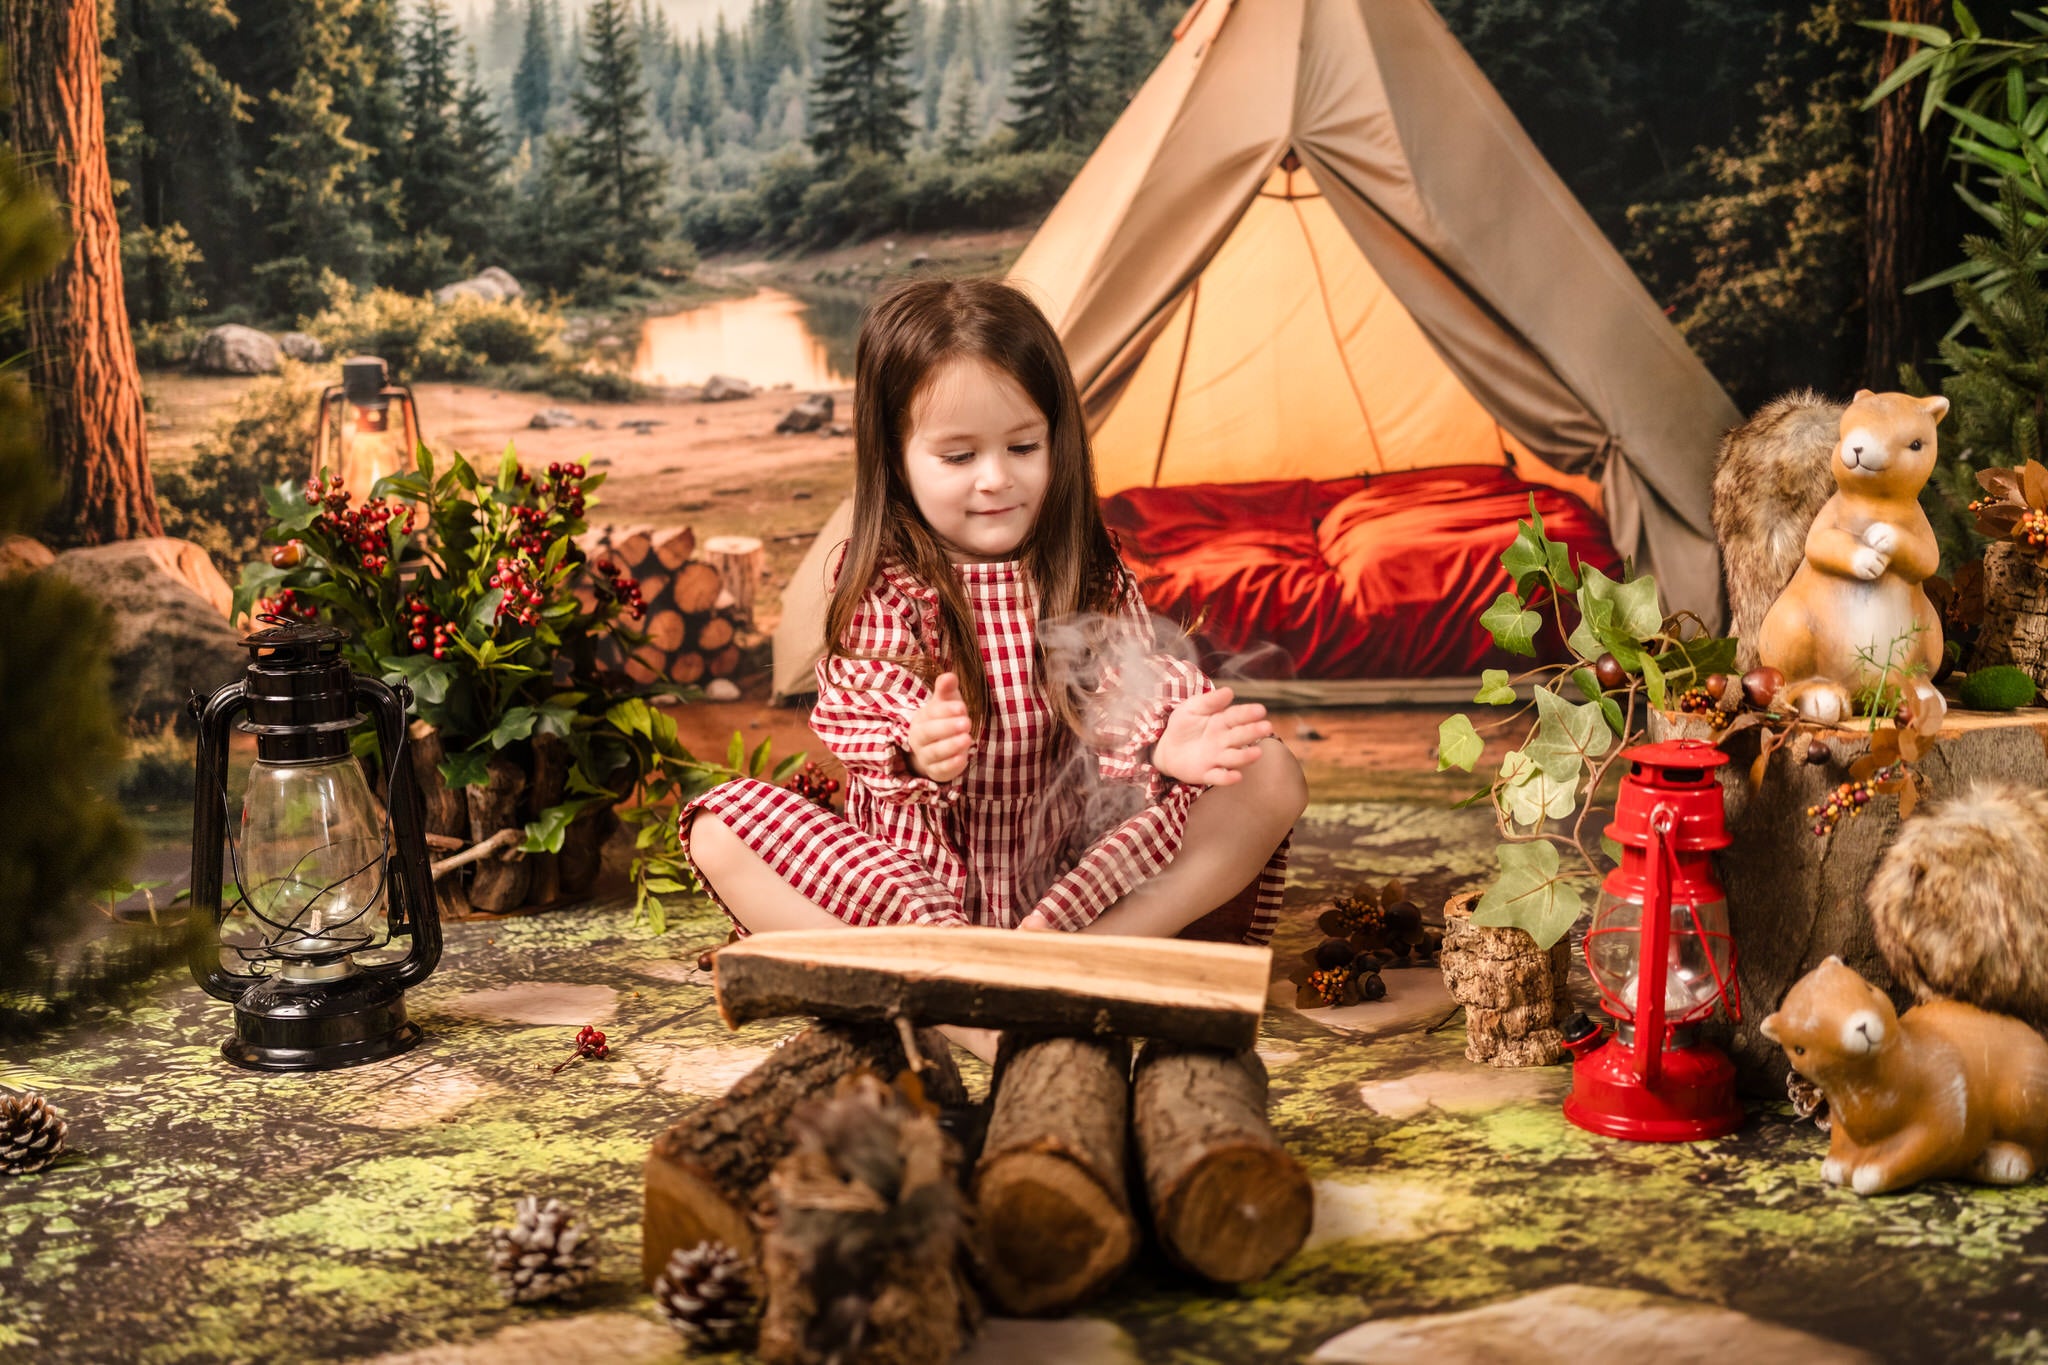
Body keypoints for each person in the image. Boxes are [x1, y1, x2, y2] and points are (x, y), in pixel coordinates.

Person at [682, 277, 1305, 986]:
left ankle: (1066, 965)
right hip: (918, 887)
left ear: (1056, 438)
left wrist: (1165, 736)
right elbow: (861, 701)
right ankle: (954, 982)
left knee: (1271, 772)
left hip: (1073, 883)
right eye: (957, 456)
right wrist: (913, 748)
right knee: (718, 827)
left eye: (1022, 445)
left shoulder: (1085, 564)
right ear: (894, 458)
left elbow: (1129, 685)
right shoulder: (884, 580)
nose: (995, 479)